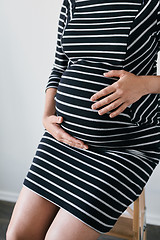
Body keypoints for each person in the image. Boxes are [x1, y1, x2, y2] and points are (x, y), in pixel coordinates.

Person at [7, 0, 160, 239]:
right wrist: (47, 116)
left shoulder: (150, 4)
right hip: (63, 140)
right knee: (18, 235)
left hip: (123, 146)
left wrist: (144, 85)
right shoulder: (73, 2)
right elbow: (60, 66)